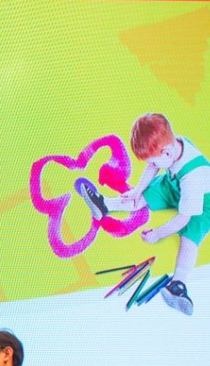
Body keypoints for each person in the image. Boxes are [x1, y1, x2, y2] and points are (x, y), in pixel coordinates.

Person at [77, 113, 210, 315]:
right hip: (175, 185)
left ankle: (179, 285)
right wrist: (139, 190)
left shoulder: (193, 176)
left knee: (189, 240)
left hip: (202, 201)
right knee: (141, 196)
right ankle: (104, 205)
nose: (152, 164)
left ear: (167, 153)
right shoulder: (172, 147)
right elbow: (152, 165)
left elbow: (183, 218)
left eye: (154, 160)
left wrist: (158, 234)